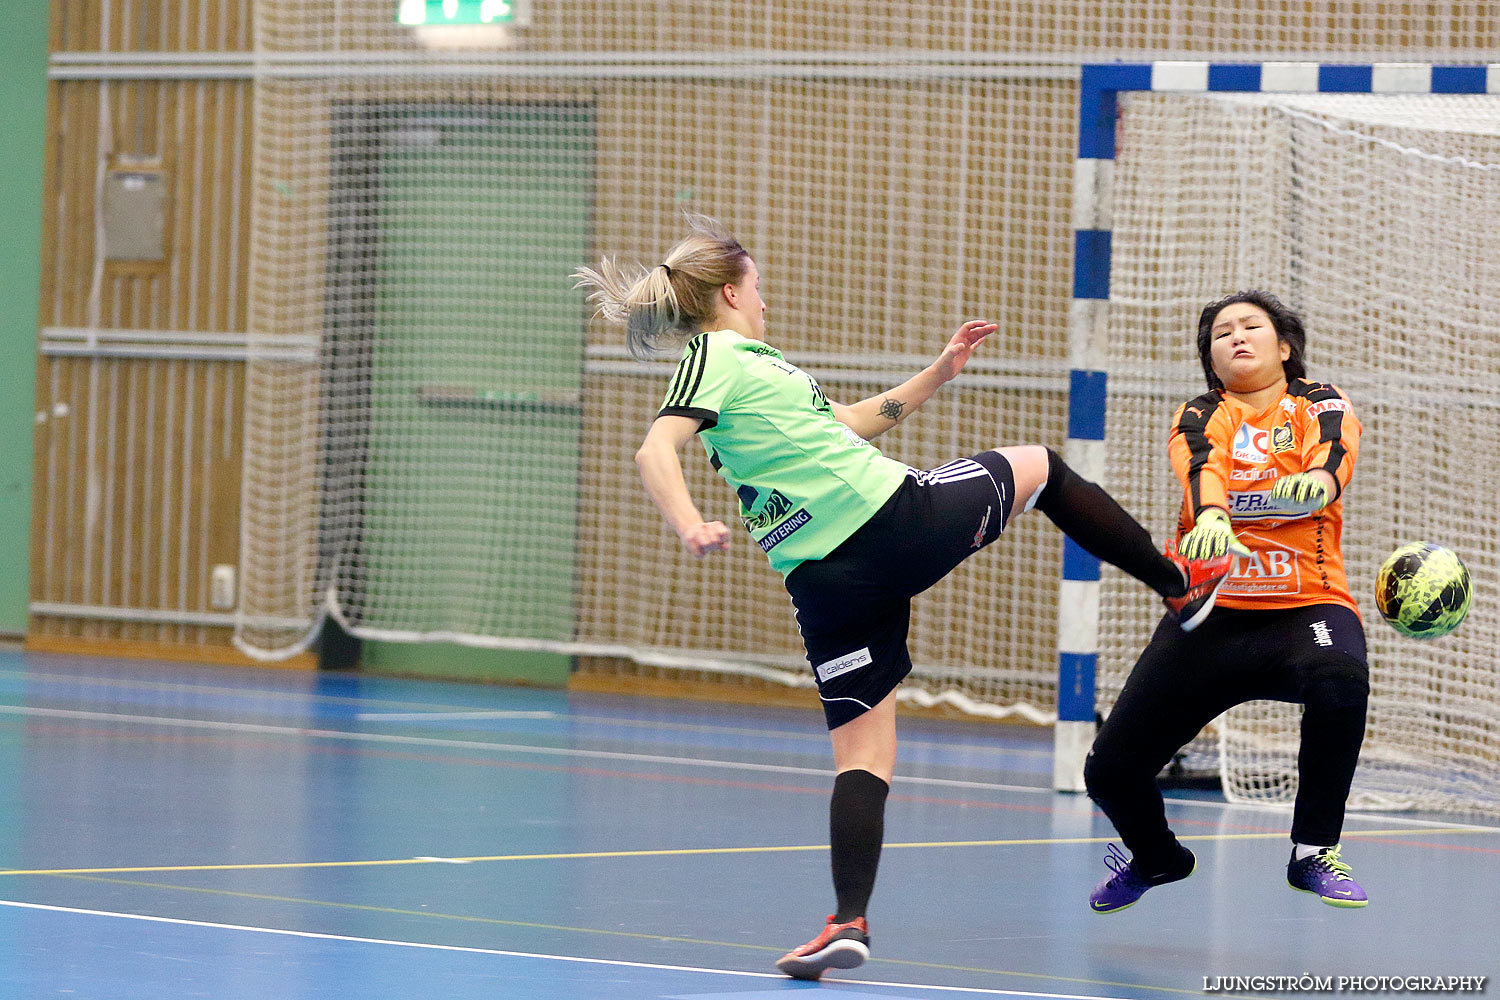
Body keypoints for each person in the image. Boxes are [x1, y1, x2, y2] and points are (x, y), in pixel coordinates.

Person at [574, 214, 1232, 980]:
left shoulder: (761, 365)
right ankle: (1179, 585)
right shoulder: (714, 355)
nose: (765, 293)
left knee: (864, 754)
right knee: (1042, 467)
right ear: (730, 290)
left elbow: (849, 424)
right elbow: (656, 445)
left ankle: (847, 920)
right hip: (889, 523)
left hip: (826, 583)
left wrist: (938, 372)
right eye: (757, 282)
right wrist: (688, 523)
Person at [1083, 289, 1370, 914]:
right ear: (1212, 362)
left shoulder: (1317, 402)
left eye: (1251, 326)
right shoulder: (1202, 412)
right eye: (1221, 333)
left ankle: (1312, 852)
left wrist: (1315, 483)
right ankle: (1157, 858)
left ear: (1284, 346)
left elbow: (1333, 461)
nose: (1236, 337)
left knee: (1340, 681)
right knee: (1109, 771)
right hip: (1210, 619)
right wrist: (1212, 513)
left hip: (1305, 606)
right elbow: (1200, 470)